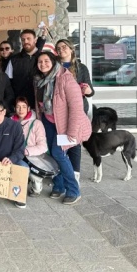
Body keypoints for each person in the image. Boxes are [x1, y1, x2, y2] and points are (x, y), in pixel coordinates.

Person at [34, 51, 91, 205]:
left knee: (59, 153)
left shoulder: (66, 79)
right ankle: (59, 186)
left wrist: (71, 131)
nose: (43, 64)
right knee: (52, 154)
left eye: (46, 61)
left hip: (65, 125)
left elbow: (76, 107)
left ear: (53, 61)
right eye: (40, 62)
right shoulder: (40, 79)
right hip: (48, 122)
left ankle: (74, 190)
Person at [56, 38, 95, 185]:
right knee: (61, 144)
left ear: (71, 49)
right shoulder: (55, 67)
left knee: (74, 143)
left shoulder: (81, 68)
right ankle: (61, 175)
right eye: (58, 48)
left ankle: (75, 175)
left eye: (64, 47)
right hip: (60, 111)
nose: (61, 50)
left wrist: (87, 90)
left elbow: (91, 91)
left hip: (77, 110)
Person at [11, 96, 48, 197]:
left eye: (24, 106)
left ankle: (35, 182)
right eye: (18, 107)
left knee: (28, 170)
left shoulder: (37, 123)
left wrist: (26, 151)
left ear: (28, 108)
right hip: (14, 155)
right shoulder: (9, 123)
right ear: (14, 108)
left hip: (31, 156)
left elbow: (43, 146)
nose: (21, 109)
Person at [6, 29, 41, 106]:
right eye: (23, 39)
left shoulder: (43, 58)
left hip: (39, 103)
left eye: (28, 39)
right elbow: (7, 83)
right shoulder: (13, 60)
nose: (25, 41)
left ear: (35, 40)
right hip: (19, 104)